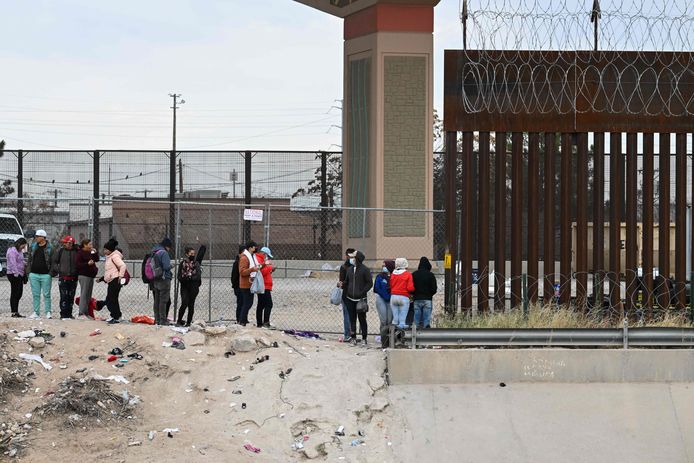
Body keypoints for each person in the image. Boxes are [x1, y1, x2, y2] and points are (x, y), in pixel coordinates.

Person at [343, 250, 372, 344]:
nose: (351, 259)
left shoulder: (365, 270)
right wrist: (342, 284)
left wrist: (362, 292)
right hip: (350, 298)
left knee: (362, 319)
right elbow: (347, 281)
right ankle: (353, 337)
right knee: (352, 319)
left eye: (352, 257)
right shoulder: (350, 269)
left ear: (357, 259)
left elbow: (369, 283)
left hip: (361, 299)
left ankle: (364, 338)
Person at [97, 238, 127, 324]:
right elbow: (110, 271)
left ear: (110, 250)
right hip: (112, 280)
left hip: (115, 280)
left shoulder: (114, 256)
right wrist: (102, 279)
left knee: (112, 299)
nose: (104, 251)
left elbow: (123, 266)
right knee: (111, 299)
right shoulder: (110, 257)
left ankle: (116, 316)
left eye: (106, 249)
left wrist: (120, 276)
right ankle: (115, 315)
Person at [27, 229, 53, 320]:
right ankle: (36, 312)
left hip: (46, 275)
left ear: (43, 237)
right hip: (34, 274)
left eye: (37, 237)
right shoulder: (33, 246)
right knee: (35, 294)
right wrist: (29, 272)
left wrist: (50, 273)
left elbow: (53, 262)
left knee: (47, 294)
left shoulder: (50, 248)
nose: (36, 238)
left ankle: (48, 312)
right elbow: (29, 259)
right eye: (36, 237)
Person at [52, 235, 79, 320]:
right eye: (65, 243)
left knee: (71, 296)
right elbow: (54, 262)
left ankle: (69, 314)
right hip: (63, 278)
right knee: (63, 296)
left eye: (69, 243)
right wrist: (59, 270)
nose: (67, 244)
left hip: (73, 278)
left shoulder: (76, 251)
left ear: (72, 243)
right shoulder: (61, 251)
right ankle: (63, 314)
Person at [150, 237, 174, 325]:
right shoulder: (164, 253)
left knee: (157, 300)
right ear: (167, 246)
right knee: (163, 301)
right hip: (164, 279)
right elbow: (166, 267)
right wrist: (172, 265)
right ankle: (163, 320)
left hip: (156, 278)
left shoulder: (154, 252)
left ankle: (157, 319)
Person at [177, 246, 202, 327]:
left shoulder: (196, 263)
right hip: (184, 286)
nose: (193, 255)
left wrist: (190, 277)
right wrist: (186, 278)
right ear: (187, 254)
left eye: (194, 254)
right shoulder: (182, 263)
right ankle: (179, 321)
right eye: (191, 254)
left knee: (191, 304)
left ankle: (188, 323)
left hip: (193, 287)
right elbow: (179, 276)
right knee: (184, 303)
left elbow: (198, 276)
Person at [238, 240, 260, 326]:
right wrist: (252, 269)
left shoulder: (252, 257)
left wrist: (263, 265)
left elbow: (255, 267)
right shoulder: (244, 258)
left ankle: (244, 319)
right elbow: (242, 272)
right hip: (245, 284)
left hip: (250, 283)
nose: (256, 249)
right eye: (254, 247)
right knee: (247, 303)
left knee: (248, 303)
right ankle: (242, 320)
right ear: (250, 248)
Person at [75, 239, 99, 319]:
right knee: (84, 294)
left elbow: (97, 259)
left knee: (88, 295)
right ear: (85, 245)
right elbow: (78, 265)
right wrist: (87, 264)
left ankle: (86, 313)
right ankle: (81, 313)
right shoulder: (80, 253)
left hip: (90, 275)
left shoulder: (90, 252)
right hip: (84, 275)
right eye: (89, 244)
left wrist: (95, 253)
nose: (91, 246)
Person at [374, 260, 395, 347]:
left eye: (385, 265)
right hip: (381, 299)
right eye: (383, 266)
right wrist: (385, 295)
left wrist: (389, 296)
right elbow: (376, 288)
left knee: (390, 320)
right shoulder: (379, 276)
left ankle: (390, 340)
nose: (383, 267)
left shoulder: (394, 276)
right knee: (383, 320)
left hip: (391, 299)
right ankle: (384, 341)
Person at [412, 256, 438, 329]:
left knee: (416, 320)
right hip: (427, 299)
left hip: (417, 299)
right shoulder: (431, 275)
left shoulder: (414, 274)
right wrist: (429, 294)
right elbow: (434, 289)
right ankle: (426, 336)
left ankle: (415, 336)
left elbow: (411, 287)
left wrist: (414, 294)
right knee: (426, 321)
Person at [390, 257, 414, 330]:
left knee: (395, 319)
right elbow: (410, 288)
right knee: (402, 321)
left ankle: (392, 337)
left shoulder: (393, 274)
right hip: (404, 297)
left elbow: (391, 285)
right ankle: (401, 338)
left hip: (393, 297)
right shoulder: (408, 274)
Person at [337, 248, 356, 341]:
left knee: (353, 315)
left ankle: (353, 334)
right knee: (347, 315)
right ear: (347, 256)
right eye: (350, 256)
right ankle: (347, 334)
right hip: (346, 294)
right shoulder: (344, 267)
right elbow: (341, 281)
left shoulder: (358, 267)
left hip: (356, 294)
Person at [6, 237, 27, 318]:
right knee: (15, 292)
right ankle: (14, 312)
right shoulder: (12, 251)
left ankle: (16, 311)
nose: (23, 248)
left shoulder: (19, 251)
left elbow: (20, 260)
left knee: (19, 293)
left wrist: (25, 263)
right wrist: (16, 274)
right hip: (13, 274)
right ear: (19, 244)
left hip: (20, 274)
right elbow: (13, 263)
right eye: (23, 246)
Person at [256, 246, 276, 328]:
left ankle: (260, 323)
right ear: (264, 254)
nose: (266, 257)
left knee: (261, 304)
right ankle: (266, 323)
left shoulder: (260, 259)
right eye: (266, 255)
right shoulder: (259, 260)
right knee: (269, 304)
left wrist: (270, 269)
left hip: (264, 285)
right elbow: (261, 272)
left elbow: (264, 271)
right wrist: (270, 267)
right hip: (264, 285)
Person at [231, 244, 245, 323]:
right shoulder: (237, 263)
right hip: (238, 287)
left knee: (243, 303)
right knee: (240, 303)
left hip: (242, 286)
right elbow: (234, 276)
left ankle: (242, 318)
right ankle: (239, 319)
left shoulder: (242, 261)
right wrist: (235, 286)